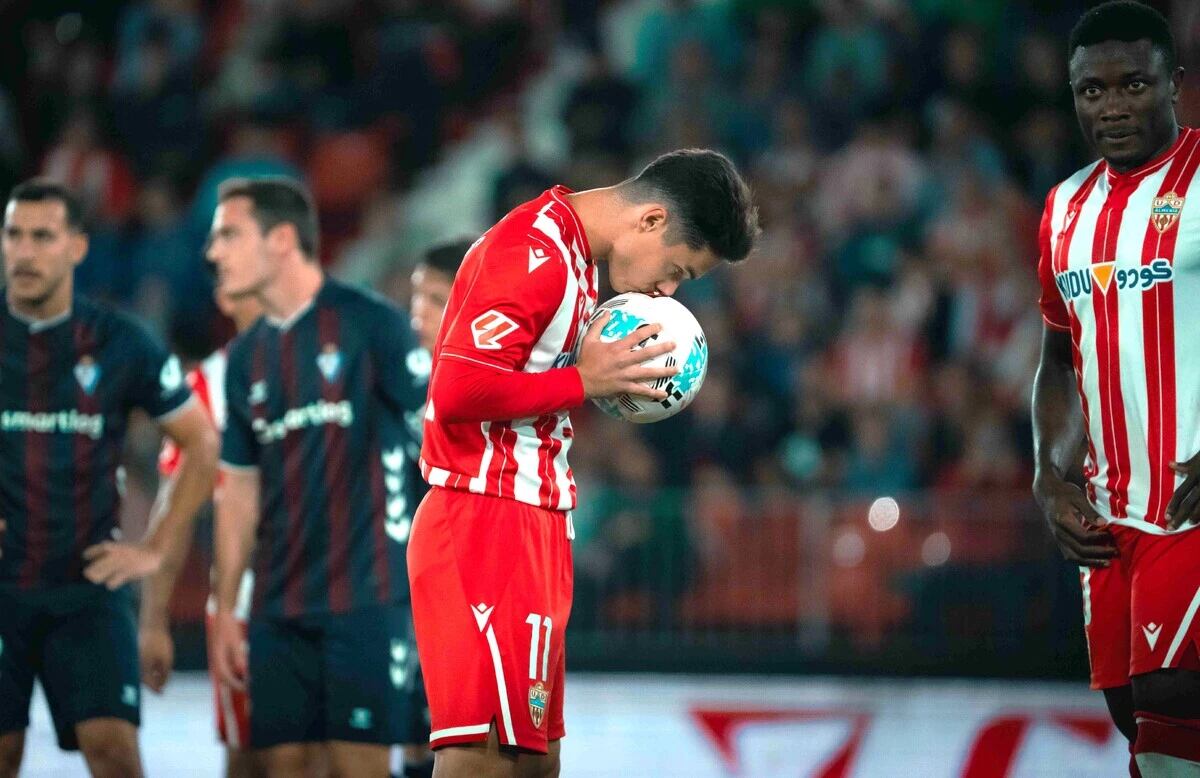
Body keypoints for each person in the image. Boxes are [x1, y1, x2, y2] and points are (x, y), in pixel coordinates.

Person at [409, 148, 758, 777]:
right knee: (478, 765)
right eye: (677, 269)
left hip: (538, 521)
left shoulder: (575, 260)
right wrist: (582, 380)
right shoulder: (531, 252)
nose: (667, 291)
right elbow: (455, 392)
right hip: (482, 518)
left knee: (536, 766)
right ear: (651, 221)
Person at [207, 177, 426, 778]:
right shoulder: (245, 358)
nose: (213, 252)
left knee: (358, 770)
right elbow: (239, 490)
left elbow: (439, 441)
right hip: (278, 610)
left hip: (365, 600)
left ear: (281, 240)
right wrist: (228, 608)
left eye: (228, 234)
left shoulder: (371, 326)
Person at [0, 179, 219, 777]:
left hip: (87, 587)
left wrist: (153, 547)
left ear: (76, 247)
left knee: (115, 752)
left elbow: (201, 443)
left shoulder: (122, 341)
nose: (23, 251)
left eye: (42, 237)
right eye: (13, 235)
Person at [1032, 2, 1200, 773]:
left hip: (1186, 511)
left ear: (1175, 84)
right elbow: (1060, 358)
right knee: (1137, 726)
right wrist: (1047, 474)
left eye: (1133, 84)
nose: (1112, 106)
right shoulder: (1065, 208)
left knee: (1169, 716)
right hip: (1107, 523)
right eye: (1091, 92)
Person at [143, 284, 267, 777]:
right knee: (249, 759)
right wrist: (153, 620)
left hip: (336, 601)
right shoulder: (205, 387)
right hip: (241, 608)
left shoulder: (340, 364)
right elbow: (174, 512)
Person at [393, 239, 472, 778]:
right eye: (417, 298)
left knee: (449, 739)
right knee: (407, 737)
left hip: (459, 582)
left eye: (436, 299)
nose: (419, 312)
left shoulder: (480, 384)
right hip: (392, 579)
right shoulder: (395, 377)